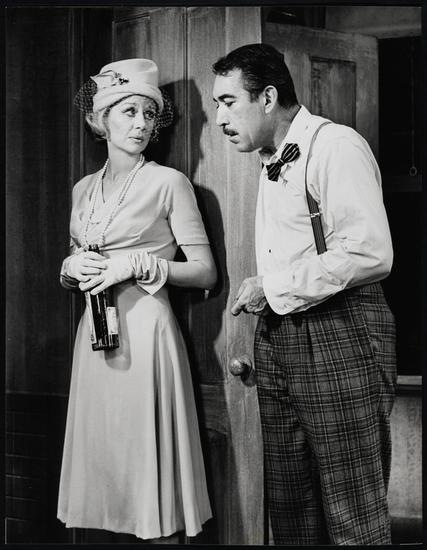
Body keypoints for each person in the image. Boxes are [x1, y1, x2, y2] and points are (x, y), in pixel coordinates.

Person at [212, 43, 396, 545]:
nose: (221, 118)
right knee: (293, 510)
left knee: (353, 514)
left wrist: (271, 287)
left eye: (228, 102)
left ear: (268, 97)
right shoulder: (270, 159)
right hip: (281, 336)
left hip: (341, 333)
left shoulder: (336, 146)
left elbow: (370, 252)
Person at [58, 58, 216, 541]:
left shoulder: (168, 182)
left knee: (148, 474)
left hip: (147, 332)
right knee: (106, 467)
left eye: (149, 114)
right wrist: (70, 269)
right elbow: (80, 252)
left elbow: (205, 271)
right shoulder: (83, 189)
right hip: (96, 332)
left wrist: (143, 265)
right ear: (101, 119)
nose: (142, 124)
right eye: (129, 112)